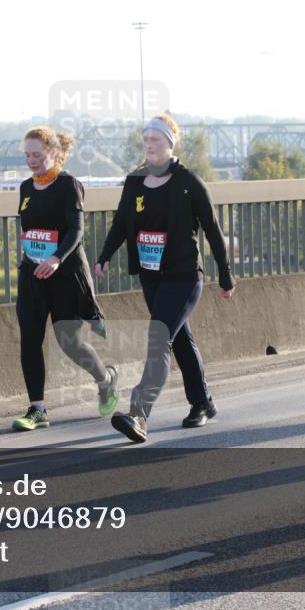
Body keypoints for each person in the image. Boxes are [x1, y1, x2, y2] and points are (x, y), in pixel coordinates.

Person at [95, 113, 234, 443]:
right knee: (179, 339)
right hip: (151, 276)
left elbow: (212, 230)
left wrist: (226, 275)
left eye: (155, 139)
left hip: (185, 276)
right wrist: (104, 256)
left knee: (159, 338)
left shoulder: (188, 182)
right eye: (145, 140)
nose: (149, 145)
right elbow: (120, 223)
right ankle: (202, 402)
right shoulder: (135, 182)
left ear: (170, 144)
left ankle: (138, 415)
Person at [12, 127, 118, 431]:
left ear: (54, 154)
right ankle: (37, 409)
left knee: (69, 342)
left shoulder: (69, 185)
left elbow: (76, 230)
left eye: (37, 155)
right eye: (27, 155)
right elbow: (31, 230)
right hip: (32, 273)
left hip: (64, 274)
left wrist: (56, 259)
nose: (31, 161)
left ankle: (105, 378)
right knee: (30, 339)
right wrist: (35, 255)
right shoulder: (25, 188)